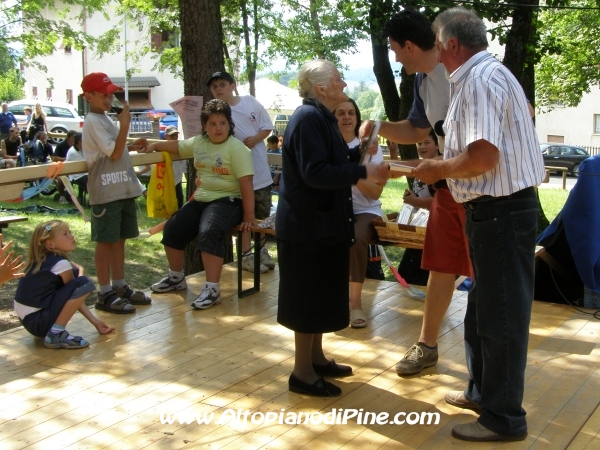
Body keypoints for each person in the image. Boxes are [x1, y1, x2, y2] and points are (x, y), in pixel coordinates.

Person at [412, 7, 546, 441]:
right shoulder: (490, 75)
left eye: (434, 38)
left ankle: (504, 419)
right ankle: (482, 393)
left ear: (451, 44)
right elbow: (513, 126)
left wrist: (438, 169)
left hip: (502, 213)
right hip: (496, 212)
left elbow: (484, 157)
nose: (432, 46)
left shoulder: (479, 81)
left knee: (502, 316)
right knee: (485, 309)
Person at [361, 9, 473, 377]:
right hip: (447, 191)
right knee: (440, 267)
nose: (393, 58)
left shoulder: (462, 71)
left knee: (483, 273)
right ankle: (426, 346)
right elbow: (415, 128)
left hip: (482, 193)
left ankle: (483, 365)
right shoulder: (424, 82)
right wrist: (377, 125)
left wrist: (446, 162)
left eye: (394, 50)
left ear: (409, 46)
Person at [277, 59, 387, 397]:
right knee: (306, 299)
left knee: (320, 295)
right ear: (321, 87)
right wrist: (361, 173)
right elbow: (314, 173)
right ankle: (302, 373)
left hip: (322, 226)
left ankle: (316, 359)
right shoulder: (309, 118)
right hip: (307, 227)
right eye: (338, 79)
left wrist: (362, 155)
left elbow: (333, 165)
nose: (344, 84)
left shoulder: (321, 118)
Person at [144, 99, 255, 310]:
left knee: (210, 231)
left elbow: (246, 183)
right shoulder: (199, 143)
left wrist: (249, 215)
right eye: (212, 124)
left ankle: (213, 289)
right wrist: (155, 144)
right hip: (201, 199)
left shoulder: (237, 148)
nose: (218, 128)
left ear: (229, 125)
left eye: (222, 123)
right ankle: (176, 278)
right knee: (173, 227)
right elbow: (176, 146)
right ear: (205, 126)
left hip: (228, 201)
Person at [81, 72, 152, 314]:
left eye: (111, 94)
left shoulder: (106, 120)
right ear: (88, 97)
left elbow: (116, 148)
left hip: (121, 188)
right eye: (104, 95)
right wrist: (125, 125)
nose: (110, 99)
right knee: (106, 242)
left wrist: (133, 144)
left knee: (120, 240)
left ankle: (119, 286)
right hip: (106, 190)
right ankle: (103, 292)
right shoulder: (92, 121)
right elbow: (112, 153)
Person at [207, 71, 275, 273]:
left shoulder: (249, 102)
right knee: (246, 216)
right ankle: (245, 255)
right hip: (236, 175)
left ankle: (261, 250)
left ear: (232, 85)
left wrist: (255, 138)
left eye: (222, 84)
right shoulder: (216, 112)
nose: (218, 89)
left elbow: (267, 126)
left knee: (261, 216)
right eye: (214, 86)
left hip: (260, 172)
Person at [14, 220, 115, 349]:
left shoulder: (42, 261)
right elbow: (77, 290)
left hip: (30, 322)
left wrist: (95, 322)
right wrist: (81, 275)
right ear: (50, 244)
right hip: (38, 321)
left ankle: (55, 330)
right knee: (83, 283)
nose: (71, 236)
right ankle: (56, 333)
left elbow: (73, 296)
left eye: (70, 232)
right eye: (65, 234)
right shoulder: (60, 264)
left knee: (79, 282)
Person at [334, 98, 384, 328]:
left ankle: (354, 304)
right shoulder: (328, 146)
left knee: (354, 239)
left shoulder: (372, 149)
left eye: (351, 113)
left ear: (357, 118)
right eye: (341, 113)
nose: (346, 117)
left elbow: (375, 192)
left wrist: (350, 173)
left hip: (366, 211)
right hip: (335, 209)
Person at [397, 129, 439, 286]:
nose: (421, 146)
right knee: (407, 276)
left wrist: (415, 201)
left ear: (437, 145)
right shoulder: (422, 168)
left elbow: (440, 200)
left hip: (433, 232)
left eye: (427, 143)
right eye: (419, 143)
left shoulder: (438, 170)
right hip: (419, 232)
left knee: (415, 277)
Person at [164, 125, 186, 209]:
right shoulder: (162, 149)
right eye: (172, 135)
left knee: (179, 203)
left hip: (177, 181)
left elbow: (185, 170)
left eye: (176, 135)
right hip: (166, 182)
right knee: (168, 207)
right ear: (166, 136)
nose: (174, 138)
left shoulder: (181, 149)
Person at [53, 130, 78, 203]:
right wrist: (66, 159)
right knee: (61, 178)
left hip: (73, 169)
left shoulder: (76, 146)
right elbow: (54, 158)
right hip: (61, 169)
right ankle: (62, 196)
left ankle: (79, 196)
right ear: (71, 138)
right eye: (75, 137)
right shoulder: (60, 145)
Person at [65, 132, 89, 203]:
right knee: (92, 183)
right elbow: (82, 167)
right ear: (79, 142)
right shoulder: (73, 152)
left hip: (84, 173)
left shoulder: (82, 149)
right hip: (76, 175)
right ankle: (93, 201)